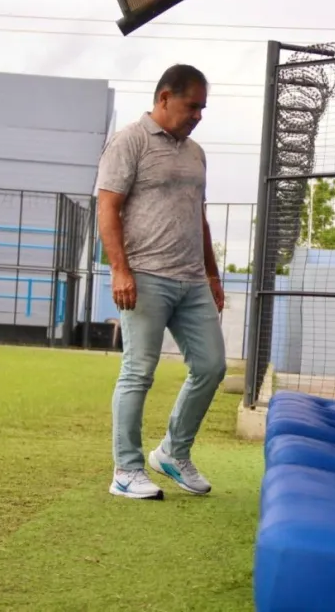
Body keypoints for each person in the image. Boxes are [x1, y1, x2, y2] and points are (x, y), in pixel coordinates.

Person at [96, 64, 227, 501]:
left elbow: (199, 217)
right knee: (138, 372)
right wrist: (120, 270)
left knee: (211, 367)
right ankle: (126, 469)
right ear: (165, 97)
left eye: (203, 108)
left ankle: (173, 451)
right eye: (193, 106)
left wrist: (211, 273)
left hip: (191, 280)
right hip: (145, 276)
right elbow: (108, 208)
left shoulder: (196, 153)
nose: (198, 115)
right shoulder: (130, 141)